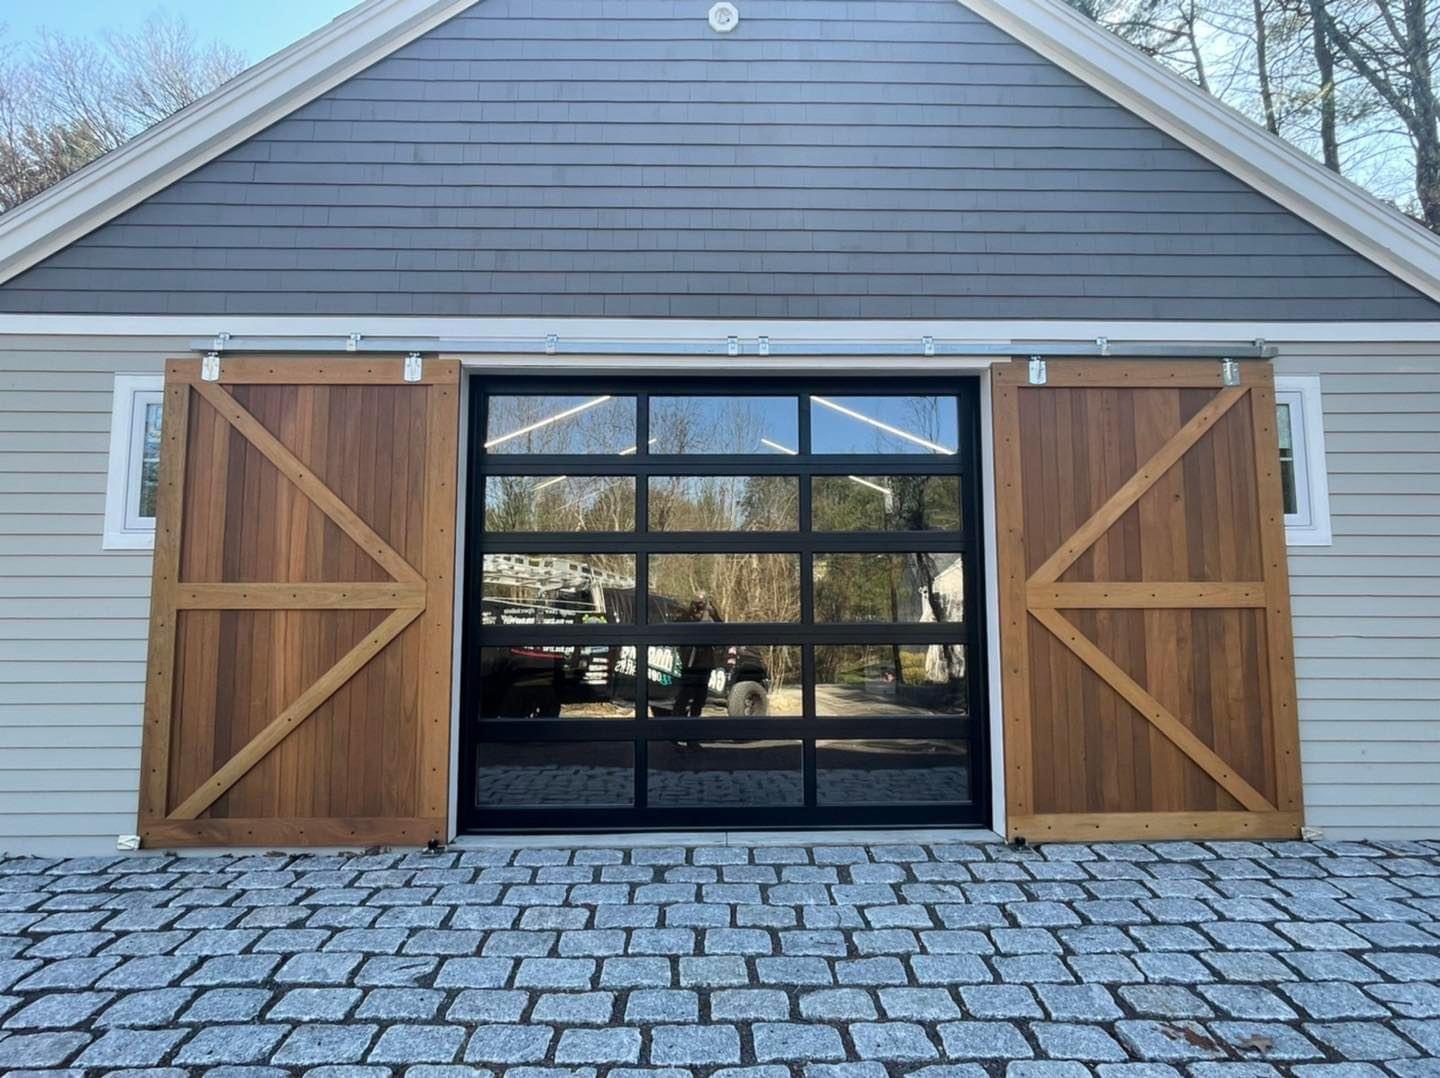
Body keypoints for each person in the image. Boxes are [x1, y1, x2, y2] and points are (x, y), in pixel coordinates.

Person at [673, 592, 723, 717]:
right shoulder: (686, 617)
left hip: (705, 662)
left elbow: (721, 629)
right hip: (690, 662)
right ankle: (677, 722)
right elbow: (678, 626)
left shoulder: (709, 617)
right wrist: (692, 612)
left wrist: (714, 614)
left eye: (703, 604)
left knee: (700, 697)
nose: (701, 607)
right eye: (698, 603)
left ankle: (694, 723)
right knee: (684, 695)